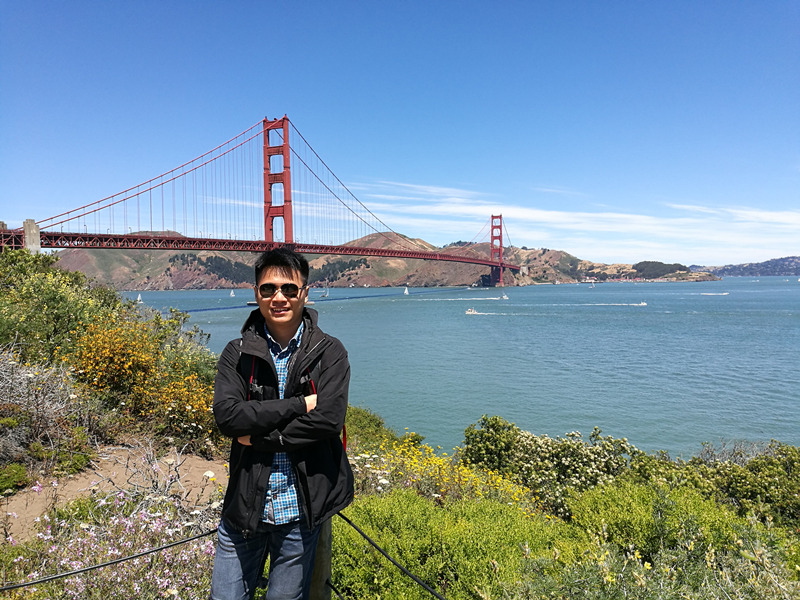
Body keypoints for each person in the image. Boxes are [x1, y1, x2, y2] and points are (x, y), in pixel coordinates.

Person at [210, 248, 354, 600]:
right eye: (268, 289)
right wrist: (299, 404)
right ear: (256, 293)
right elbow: (228, 417)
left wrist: (260, 438)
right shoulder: (236, 352)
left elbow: (328, 420)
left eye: (289, 289)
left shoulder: (330, 352)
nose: (279, 298)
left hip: (300, 513)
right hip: (245, 507)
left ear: (305, 292)